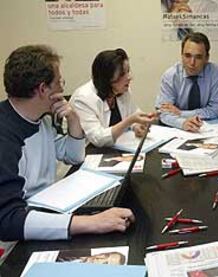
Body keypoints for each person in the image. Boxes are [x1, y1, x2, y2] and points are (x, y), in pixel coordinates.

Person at [0, 45, 135, 241]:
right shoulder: (5, 137)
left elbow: (74, 156)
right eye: (59, 81)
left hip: (48, 209)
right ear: (43, 89)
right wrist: (92, 223)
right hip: (17, 236)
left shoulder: (42, 118)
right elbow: (7, 220)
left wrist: (73, 119)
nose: (63, 87)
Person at [70, 48, 157, 148]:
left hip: (117, 150)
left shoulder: (122, 91)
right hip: (88, 153)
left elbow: (133, 112)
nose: (129, 77)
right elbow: (98, 139)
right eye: (122, 74)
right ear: (107, 78)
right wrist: (129, 121)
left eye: (128, 71)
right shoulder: (83, 99)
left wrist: (137, 125)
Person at [155, 32, 218, 132]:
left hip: (206, 128)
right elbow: (163, 113)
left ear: (206, 58)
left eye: (198, 57)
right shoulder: (170, 76)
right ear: (181, 55)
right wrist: (183, 123)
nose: (192, 63)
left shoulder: (216, 74)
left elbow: (215, 110)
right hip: (176, 129)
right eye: (187, 56)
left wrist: (181, 113)